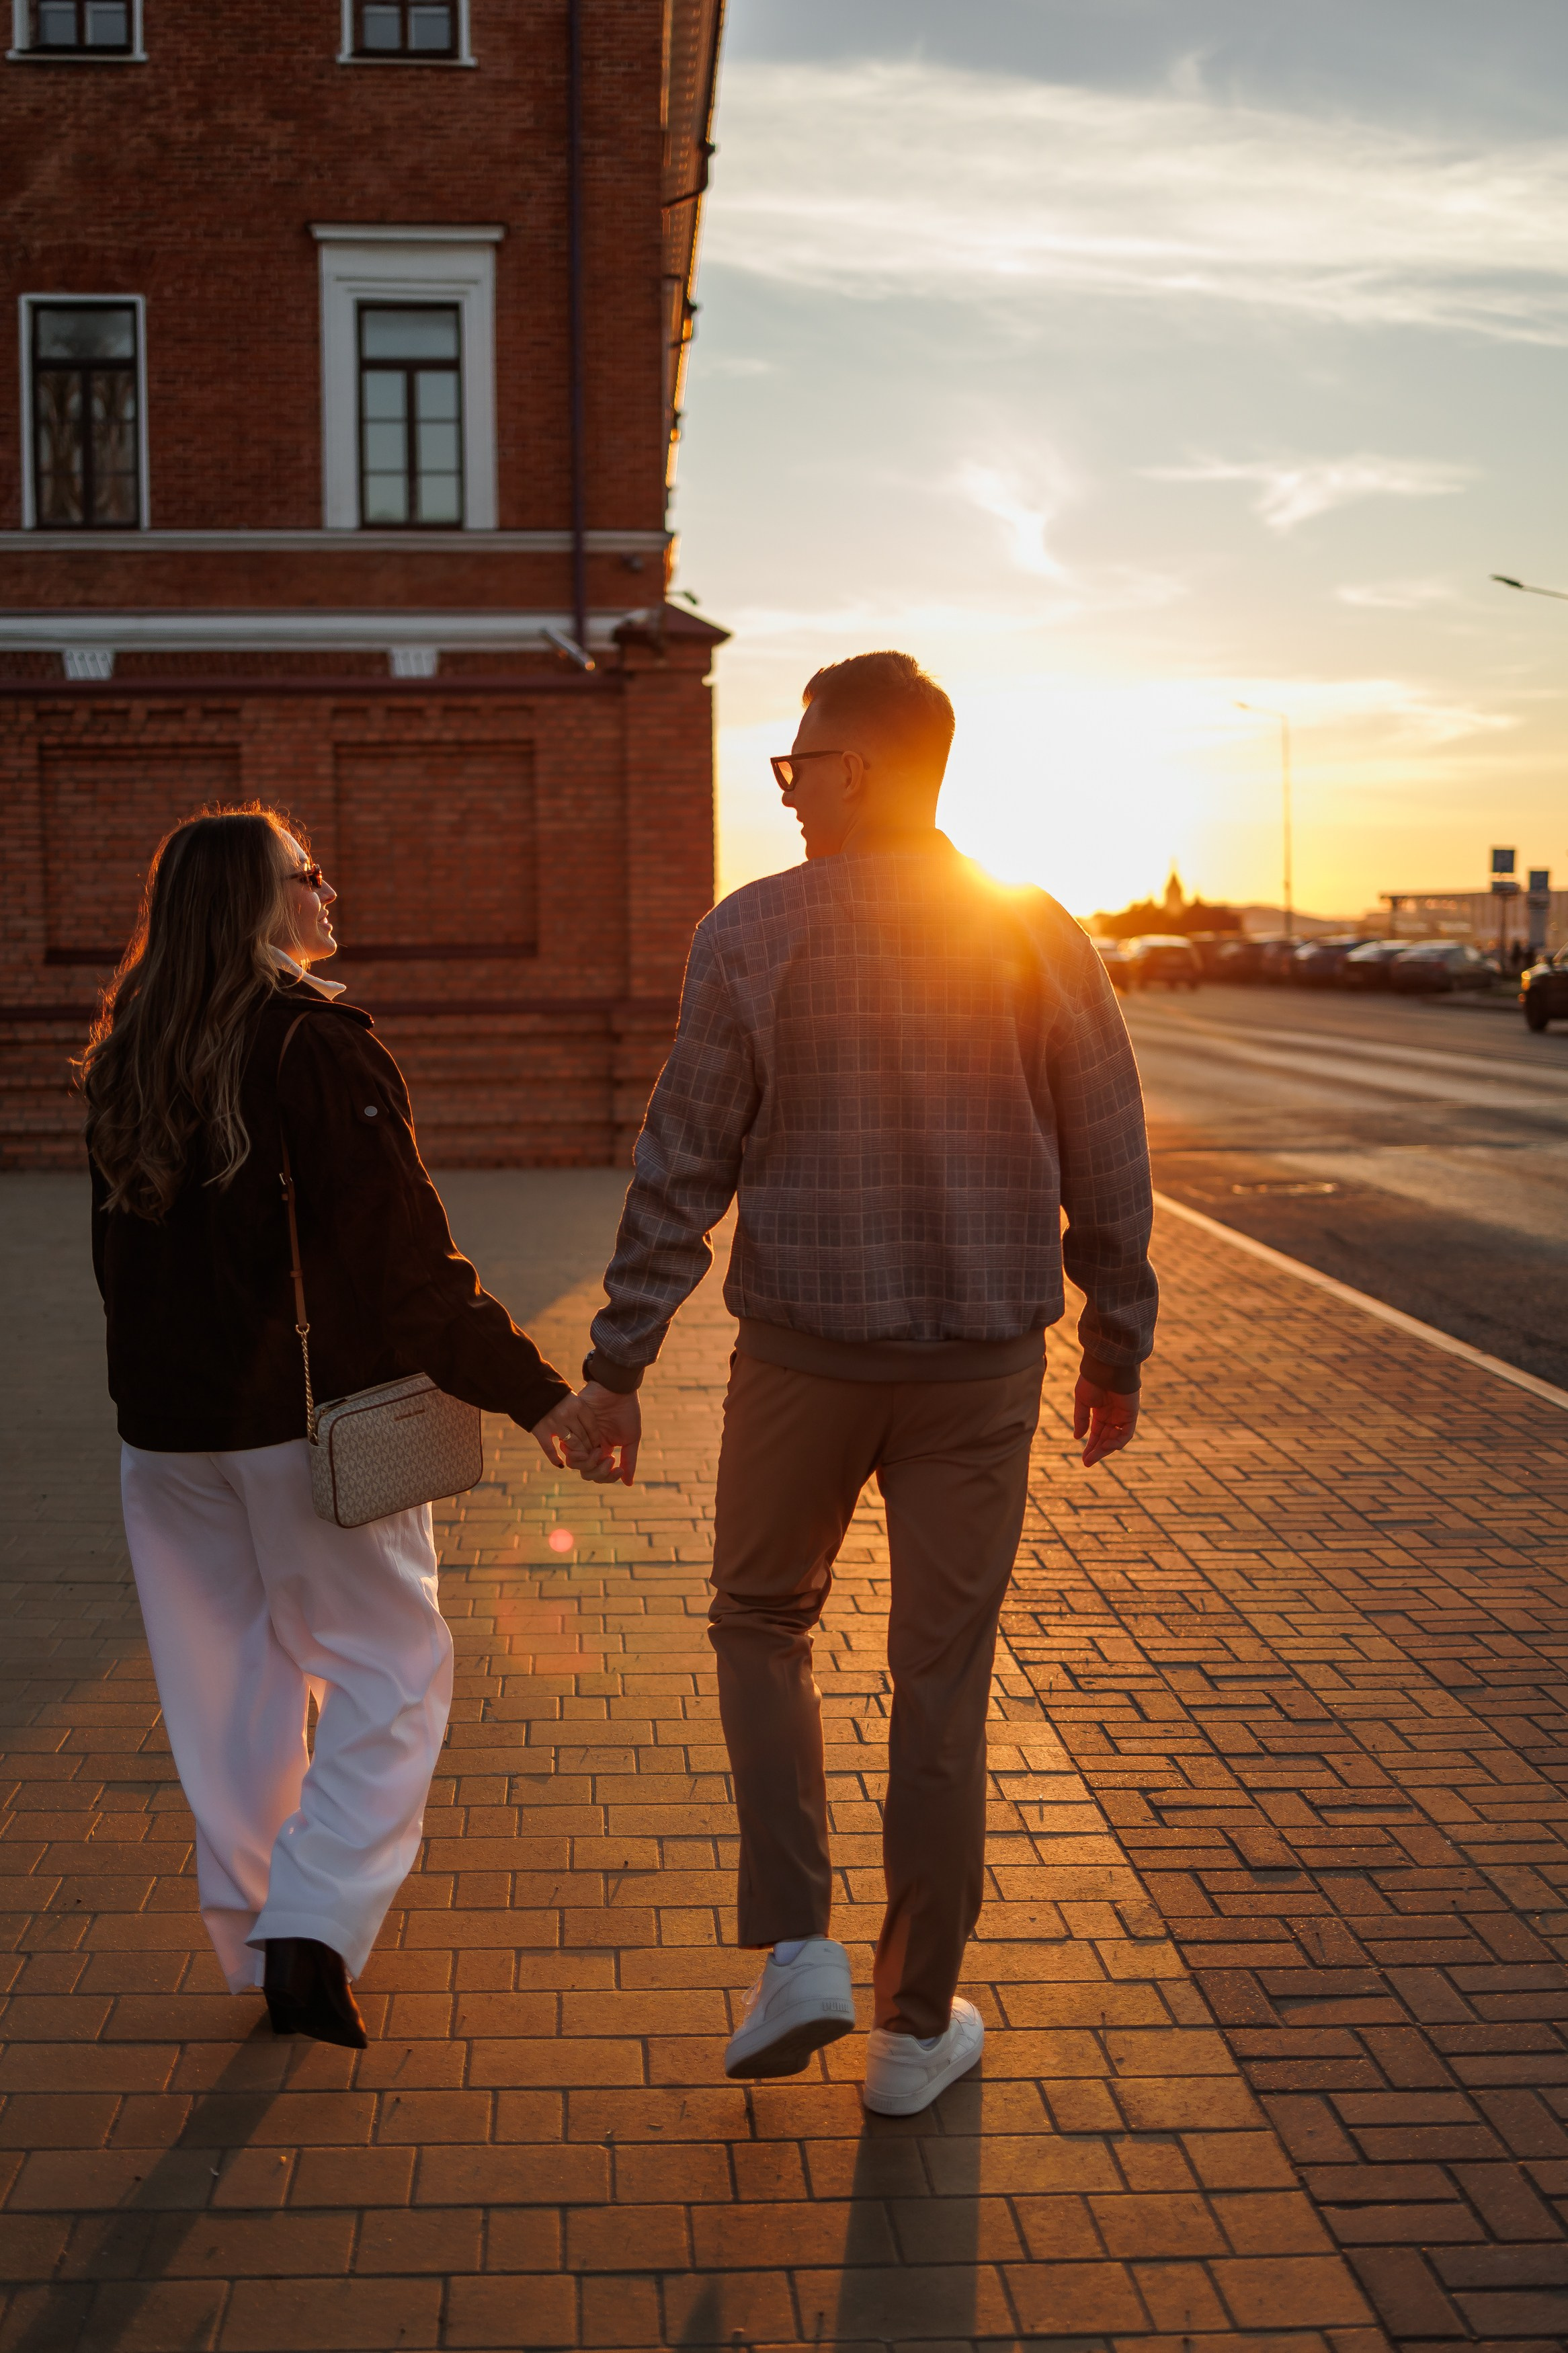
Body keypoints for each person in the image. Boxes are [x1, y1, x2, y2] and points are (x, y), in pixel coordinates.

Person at [565, 651, 1157, 2115]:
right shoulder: (1036, 934)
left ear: (872, 768)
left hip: (801, 1363)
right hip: (982, 1371)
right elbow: (1111, 1154)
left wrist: (619, 1363)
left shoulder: (750, 934)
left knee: (760, 1624)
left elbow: (682, 1162)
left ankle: (797, 1954)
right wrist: (1117, 1344)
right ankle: (912, 2027)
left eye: (802, 764)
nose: (791, 788)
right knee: (940, 1682)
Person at [81, 807, 585, 2048]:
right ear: (262, 903)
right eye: (310, 877)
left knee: (231, 1695)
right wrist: (539, 1395)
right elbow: (408, 1266)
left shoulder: (124, 1052)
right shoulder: (316, 1046)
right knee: (390, 1672)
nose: (330, 895)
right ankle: (310, 1931)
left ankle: (264, 1943)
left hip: (164, 1439)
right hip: (305, 1436)